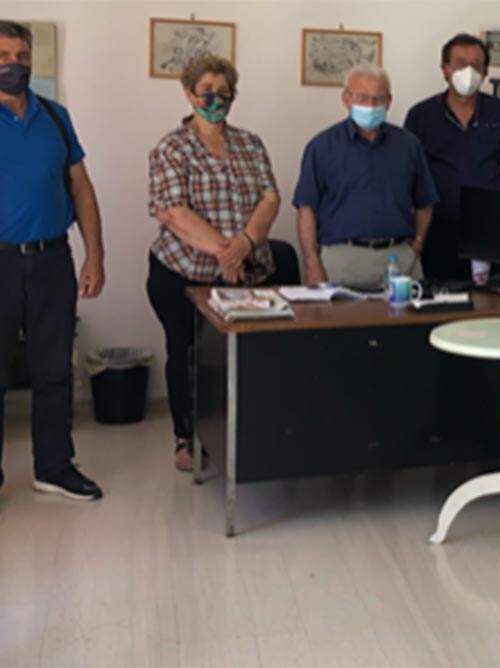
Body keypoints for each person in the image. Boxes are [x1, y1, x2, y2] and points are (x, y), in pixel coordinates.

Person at [0, 19, 106, 518]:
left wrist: (95, 254)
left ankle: (54, 467)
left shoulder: (55, 117)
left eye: (21, 55)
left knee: (54, 369)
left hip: (52, 261)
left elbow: (81, 187)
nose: (14, 65)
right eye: (3, 56)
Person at [147, 55, 279, 471]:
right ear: (189, 94)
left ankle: (242, 432)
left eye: (224, 93)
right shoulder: (171, 148)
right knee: (188, 355)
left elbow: (270, 197)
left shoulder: (250, 144)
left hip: (246, 273)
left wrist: (245, 243)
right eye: (207, 92)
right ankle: (187, 438)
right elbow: (173, 212)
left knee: (243, 357)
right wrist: (226, 251)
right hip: (183, 274)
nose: (216, 100)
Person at [295, 65, 438, 286]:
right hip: (341, 260)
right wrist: (312, 263)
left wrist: (417, 245)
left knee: (411, 310)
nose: (370, 106)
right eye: (362, 98)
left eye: (378, 99)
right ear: (346, 99)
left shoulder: (409, 146)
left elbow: (425, 202)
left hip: (399, 259)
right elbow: (306, 209)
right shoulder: (322, 147)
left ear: (389, 101)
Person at [404, 33, 500, 284]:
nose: (468, 71)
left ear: (485, 72)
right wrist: (413, 232)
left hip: (491, 226)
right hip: (439, 226)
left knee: (494, 297)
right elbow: (407, 175)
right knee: (441, 295)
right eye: (460, 64)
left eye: (476, 65)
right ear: (445, 69)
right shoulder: (421, 116)